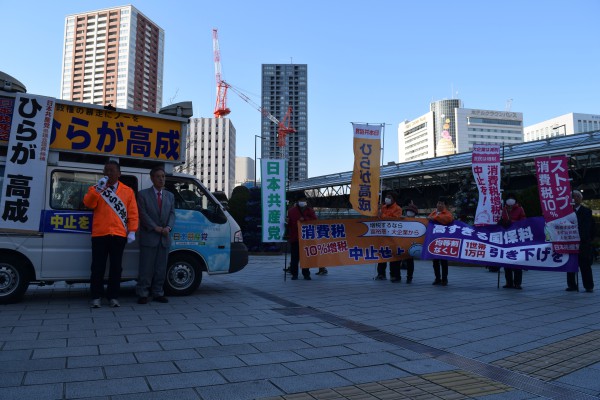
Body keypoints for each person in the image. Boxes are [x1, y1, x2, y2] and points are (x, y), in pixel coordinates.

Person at [83, 160, 139, 308]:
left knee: (116, 267)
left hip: (119, 234)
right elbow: (88, 204)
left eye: (112, 170)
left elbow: (133, 213)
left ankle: (113, 296)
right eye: (106, 170)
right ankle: (96, 296)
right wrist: (98, 190)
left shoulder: (128, 191)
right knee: (97, 267)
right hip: (99, 234)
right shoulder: (96, 188)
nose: (108, 173)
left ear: (119, 173)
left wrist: (132, 231)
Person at [136, 166, 175, 304]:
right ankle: (143, 293)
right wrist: (155, 227)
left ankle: (158, 292)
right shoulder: (142, 195)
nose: (161, 179)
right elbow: (142, 214)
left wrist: (168, 228)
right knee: (146, 267)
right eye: (158, 176)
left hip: (164, 237)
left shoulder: (170, 196)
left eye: (163, 176)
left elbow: (172, 214)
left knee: (161, 267)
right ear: (152, 178)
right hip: (149, 236)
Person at [566, 190, 595, 293]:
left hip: (583, 243)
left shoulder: (586, 211)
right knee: (570, 264)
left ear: (580, 198)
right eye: (572, 196)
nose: (574, 198)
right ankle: (571, 285)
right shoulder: (567, 211)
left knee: (585, 265)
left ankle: (588, 285)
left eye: (577, 196)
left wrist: (582, 238)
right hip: (570, 242)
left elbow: (588, 227)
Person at [500, 193, 527, 289]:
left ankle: (517, 283)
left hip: (517, 237)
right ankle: (509, 282)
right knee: (506, 260)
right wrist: (502, 223)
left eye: (512, 198)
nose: (510, 200)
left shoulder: (520, 209)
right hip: (506, 237)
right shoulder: (504, 210)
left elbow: (524, 221)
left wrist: (512, 223)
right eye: (509, 198)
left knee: (517, 261)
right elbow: (500, 220)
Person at [287, 196, 317, 280]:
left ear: (306, 201)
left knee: (306, 257)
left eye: (304, 200)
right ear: (298, 201)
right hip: (295, 237)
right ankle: (294, 274)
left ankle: (306, 274)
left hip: (306, 238)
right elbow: (289, 224)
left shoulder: (310, 211)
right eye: (301, 200)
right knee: (294, 258)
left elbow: (315, 221)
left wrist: (305, 219)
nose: (302, 202)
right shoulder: (291, 211)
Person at [376, 192, 403, 281]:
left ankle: (394, 275)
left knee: (394, 256)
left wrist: (382, 215)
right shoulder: (382, 207)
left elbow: (394, 220)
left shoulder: (398, 209)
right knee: (382, 255)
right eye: (386, 197)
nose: (387, 198)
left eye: (389, 197)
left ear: (393, 199)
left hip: (393, 237)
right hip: (383, 236)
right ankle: (381, 273)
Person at [428, 197, 454, 285]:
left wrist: (435, 218)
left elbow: (447, 219)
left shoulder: (447, 214)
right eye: (438, 203)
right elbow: (429, 219)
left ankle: (444, 279)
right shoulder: (434, 212)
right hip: (434, 240)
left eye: (441, 203)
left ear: (445, 205)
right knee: (435, 261)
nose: (439, 205)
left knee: (443, 261)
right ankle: (437, 278)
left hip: (443, 240)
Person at [399, 200, 419, 283]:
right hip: (402, 243)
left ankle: (409, 277)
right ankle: (397, 275)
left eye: (411, 211)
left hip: (411, 245)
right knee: (399, 258)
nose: (409, 212)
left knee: (410, 260)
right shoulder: (402, 220)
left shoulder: (418, 222)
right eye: (408, 211)